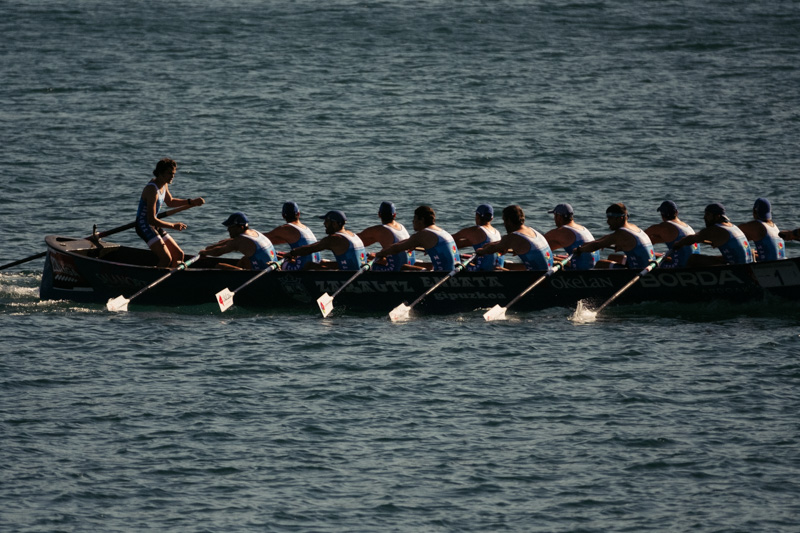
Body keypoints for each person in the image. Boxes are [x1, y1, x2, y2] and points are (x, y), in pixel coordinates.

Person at [135, 158, 205, 268]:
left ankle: (171, 280)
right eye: (169, 173)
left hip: (154, 224)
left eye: (173, 173)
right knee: (166, 258)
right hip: (144, 225)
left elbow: (170, 202)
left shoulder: (164, 184)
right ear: (160, 173)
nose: (172, 176)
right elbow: (151, 219)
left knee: (178, 254)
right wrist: (173, 225)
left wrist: (191, 201)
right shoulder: (152, 190)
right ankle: (154, 280)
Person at [375, 205, 460, 271]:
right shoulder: (441, 231)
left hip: (443, 276)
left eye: (414, 218)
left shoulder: (423, 235)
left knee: (402, 267)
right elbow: (404, 242)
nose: (413, 222)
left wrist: (380, 254)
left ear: (421, 220)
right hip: (455, 270)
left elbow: (397, 249)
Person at [573, 203, 655, 269]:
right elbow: (607, 238)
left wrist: (580, 250)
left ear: (620, 218)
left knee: (600, 264)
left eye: (610, 218)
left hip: (640, 270)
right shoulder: (633, 227)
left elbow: (596, 246)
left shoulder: (620, 234)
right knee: (612, 257)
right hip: (650, 265)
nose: (608, 222)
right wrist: (589, 243)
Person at [476, 205, 553, 271]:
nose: (504, 224)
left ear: (508, 221)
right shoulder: (531, 230)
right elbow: (499, 243)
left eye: (504, 220)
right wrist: (491, 245)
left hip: (537, 277)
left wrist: (481, 251)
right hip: (549, 271)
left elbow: (491, 250)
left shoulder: (513, 237)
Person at [672, 203, 753, 266]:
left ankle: (688, 282)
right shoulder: (732, 226)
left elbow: (692, 239)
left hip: (736, 267)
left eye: (707, 215)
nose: (704, 217)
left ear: (717, 216)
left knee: (693, 259)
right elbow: (714, 241)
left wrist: (678, 244)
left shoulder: (715, 230)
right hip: (745, 263)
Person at [285, 210, 366, 270]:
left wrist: (292, 253)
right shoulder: (352, 235)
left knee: (309, 265)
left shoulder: (335, 238)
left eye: (326, 221)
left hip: (349, 276)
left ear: (334, 224)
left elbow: (310, 249)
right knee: (323, 262)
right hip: (358, 271)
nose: (324, 224)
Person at [198, 212, 277, 270]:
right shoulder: (253, 232)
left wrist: (204, 252)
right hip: (273, 268)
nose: (228, 229)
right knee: (244, 259)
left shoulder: (240, 241)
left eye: (231, 227)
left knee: (219, 266)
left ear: (241, 227)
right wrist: (209, 248)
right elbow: (229, 241)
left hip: (262, 274)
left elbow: (218, 252)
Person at [356, 201, 416, 271]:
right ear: (394, 215)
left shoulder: (380, 230)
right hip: (410, 264)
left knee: (361, 265)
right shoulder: (401, 226)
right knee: (371, 257)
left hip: (395, 270)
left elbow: (356, 242)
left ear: (379, 215)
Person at [264, 201, 322, 270]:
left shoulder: (286, 229)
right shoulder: (306, 228)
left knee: (267, 256)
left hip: (301, 267)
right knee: (278, 254)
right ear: (298, 214)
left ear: (283, 215)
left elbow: (262, 240)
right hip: (315, 264)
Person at [643, 200, 700, 268]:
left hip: (679, 265)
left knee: (646, 262)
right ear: (676, 212)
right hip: (694, 264)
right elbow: (655, 240)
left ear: (662, 215)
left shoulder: (661, 227)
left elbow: (642, 240)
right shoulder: (687, 226)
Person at [542, 203, 599, 270]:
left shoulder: (561, 231)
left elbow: (540, 249)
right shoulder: (583, 228)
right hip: (594, 265)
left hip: (580, 270)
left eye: (555, 216)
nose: (554, 219)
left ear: (559, 217)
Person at [451, 204, 505, 271]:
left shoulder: (476, 230)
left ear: (477, 216)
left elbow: (449, 239)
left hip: (483, 270)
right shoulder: (497, 232)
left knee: (454, 263)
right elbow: (464, 243)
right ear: (491, 218)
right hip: (498, 268)